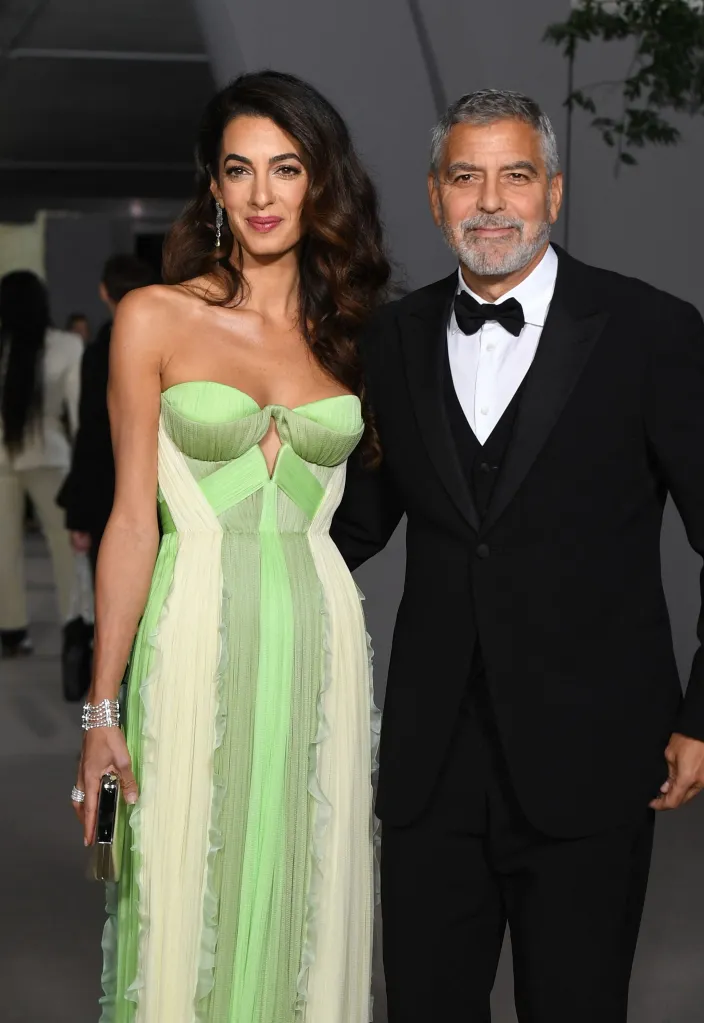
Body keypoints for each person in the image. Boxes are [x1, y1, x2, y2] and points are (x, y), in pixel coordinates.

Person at [331, 89, 704, 1023]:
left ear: (555, 192)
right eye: (467, 177)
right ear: (435, 195)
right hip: (429, 763)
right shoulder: (391, 338)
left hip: (595, 754)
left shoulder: (649, 330)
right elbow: (357, 524)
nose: (491, 201)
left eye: (516, 176)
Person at [73, 70, 389, 1021]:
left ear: (318, 181)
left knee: (308, 888)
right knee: (182, 897)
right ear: (212, 188)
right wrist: (101, 711)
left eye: (285, 169)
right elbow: (133, 520)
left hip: (321, 643)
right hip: (193, 633)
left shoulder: (356, 335)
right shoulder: (156, 317)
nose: (261, 194)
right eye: (238, 170)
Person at [0, 271, 83, 657]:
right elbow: (78, 411)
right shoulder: (67, 346)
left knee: (4, 549)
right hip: (50, 455)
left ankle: (12, 630)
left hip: (2, 457)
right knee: (66, 545)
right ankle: (74, 623)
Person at [58, 254, 157, 572]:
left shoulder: (100, 352)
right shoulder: (166, 344)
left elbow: (90, 430)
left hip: (106, 486)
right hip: (159, 482)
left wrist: (78, 512)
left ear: (104, 292)